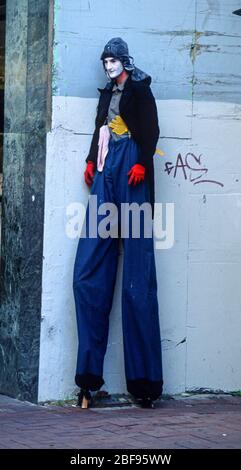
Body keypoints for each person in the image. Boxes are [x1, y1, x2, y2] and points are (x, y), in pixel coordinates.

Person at [73, 38, 163, 409]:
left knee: (137, 277)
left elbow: (151, 130)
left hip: (132, 173)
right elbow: (100, 128)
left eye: (113, 59)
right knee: (87, 274)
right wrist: (92, 160)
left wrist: (142, 160)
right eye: (104, 60)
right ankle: (88, 380)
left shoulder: (140, 91)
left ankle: (144, 383)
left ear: (125, 60)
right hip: (108, 172)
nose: (108, 65)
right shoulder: (106, 94)